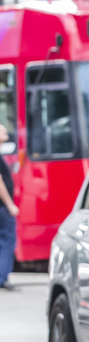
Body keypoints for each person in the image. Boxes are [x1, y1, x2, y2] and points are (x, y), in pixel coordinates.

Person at [0, 124, 18, 291]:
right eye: (2, 130)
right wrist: (10, 204)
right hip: (2, 208)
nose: (6, 132)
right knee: (7, 241)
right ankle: (2, 278)